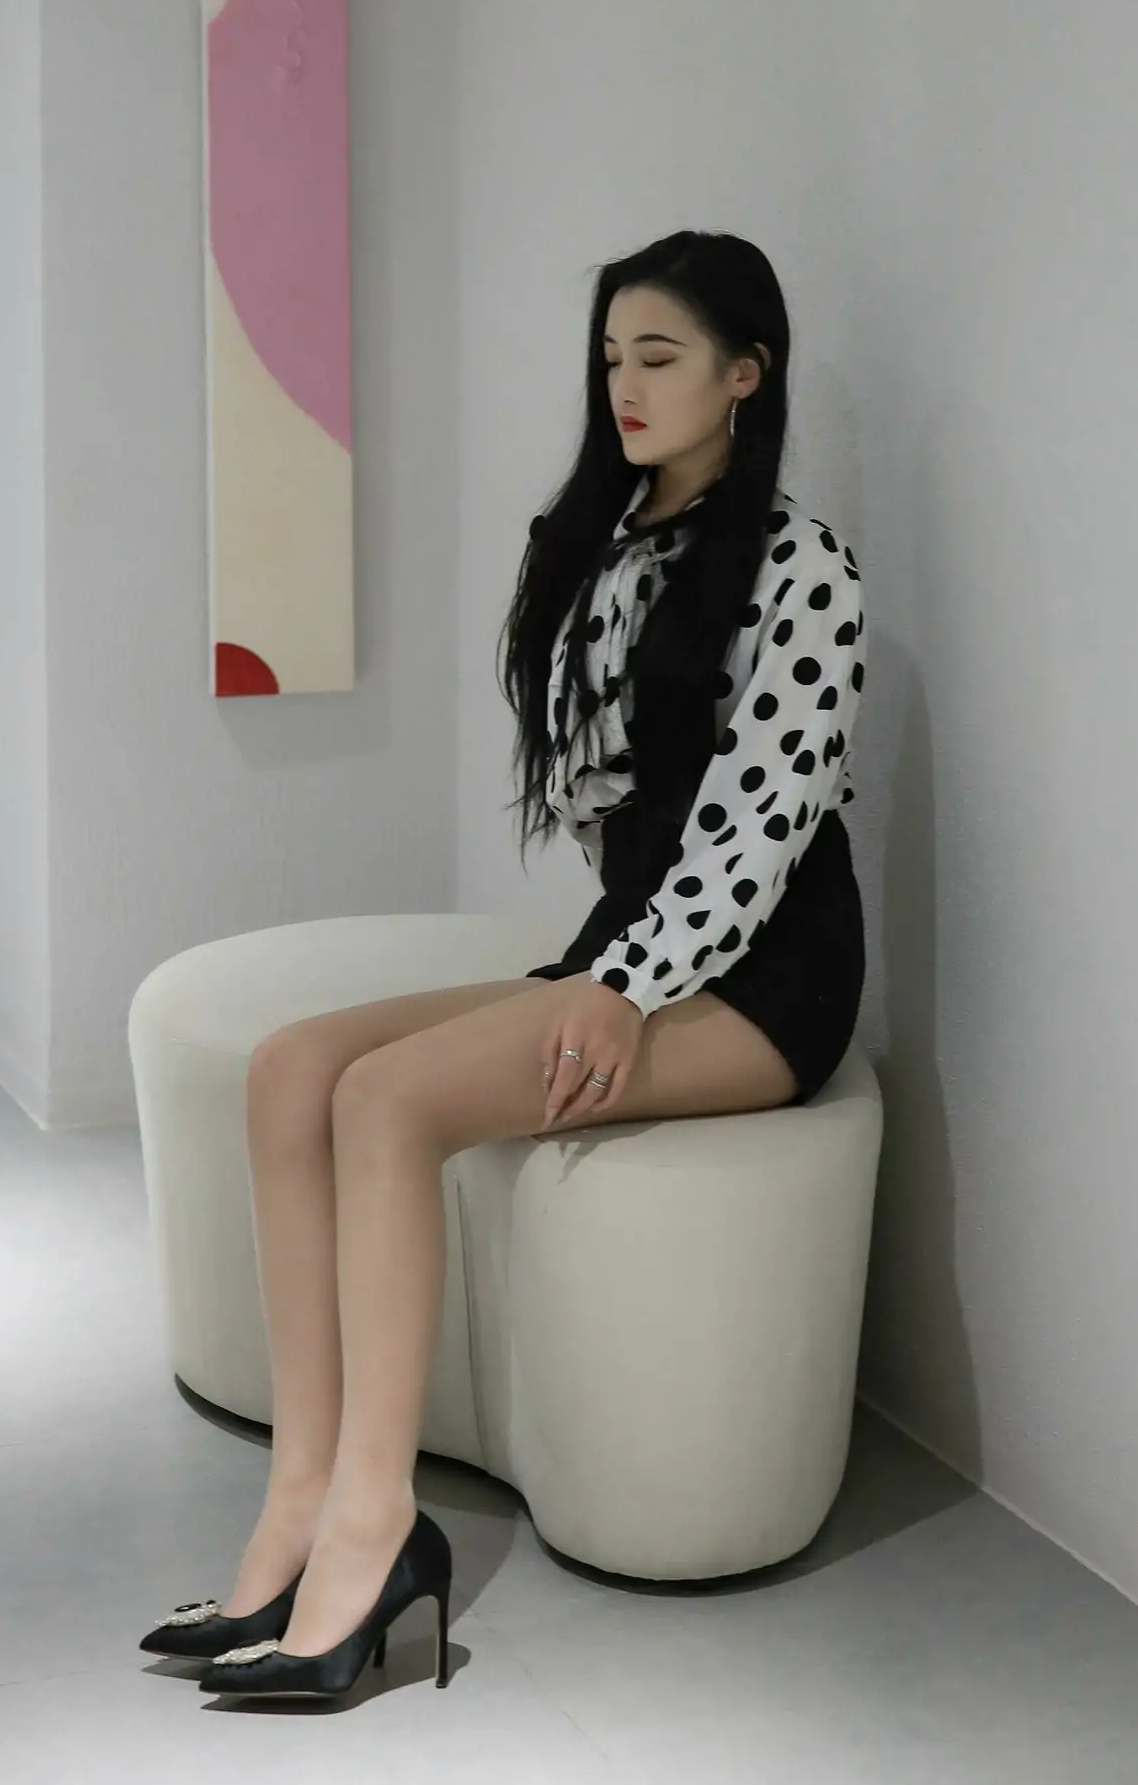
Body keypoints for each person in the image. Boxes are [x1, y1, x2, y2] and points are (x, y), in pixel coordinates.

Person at [142, 228, 868, 1702]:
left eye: (659, 357)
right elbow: (608, 810)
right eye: (611, 359)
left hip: (763, 973)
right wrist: (608, 963)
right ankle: (300, 1501)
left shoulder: (805, 571)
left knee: (388, 1100)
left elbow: (756, 836)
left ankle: (375, 1526)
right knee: (293, 1069)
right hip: (634, 946)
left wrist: (625, 986)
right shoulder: (599, 547)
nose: (625, 387)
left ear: (746, 374)